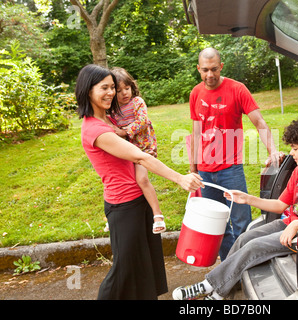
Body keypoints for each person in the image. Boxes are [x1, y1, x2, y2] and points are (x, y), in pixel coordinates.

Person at [173, 116, 298, 300]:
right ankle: (224, 290)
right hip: (290, 224)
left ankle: (209, 287)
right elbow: (280, 205)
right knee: (244, 239)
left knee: (254, 246)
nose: (291, 153)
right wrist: (247, 199)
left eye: (295, 148)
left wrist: (297, 226)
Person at [75, 64, 203, 300]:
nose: (111, 92)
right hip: (123, 206)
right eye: (104, 88)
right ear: (88, 91)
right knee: (123, 271)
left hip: (137, 200)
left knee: (145, 268)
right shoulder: (96, 130)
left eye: (112, 87)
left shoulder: (107, 121)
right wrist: (180, 178)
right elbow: (140, 156)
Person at [189, 47, 283, 260]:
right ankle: (230, 267)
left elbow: (259, 122)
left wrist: (273, 150)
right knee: (216, 225)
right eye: (205, 70)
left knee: (242, 222)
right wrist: (192, 168)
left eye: (214, 69)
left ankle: (246, 265)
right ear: (198, 69)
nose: (210, 75)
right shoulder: (195, 93)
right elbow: (196, 131)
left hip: (230, 169)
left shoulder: (237, 89)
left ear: (221, 66)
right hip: (204, 171)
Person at [110, 67, 164, 234]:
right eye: (119, 90)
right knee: (122, 183)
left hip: (143, 147)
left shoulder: (137, 102)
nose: (125, 93)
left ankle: (158, 215)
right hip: (126, 151)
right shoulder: (112, 110)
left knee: (141, 179)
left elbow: (142, 121)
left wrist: (125, 131)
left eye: (127, 88)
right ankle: (115, 218)